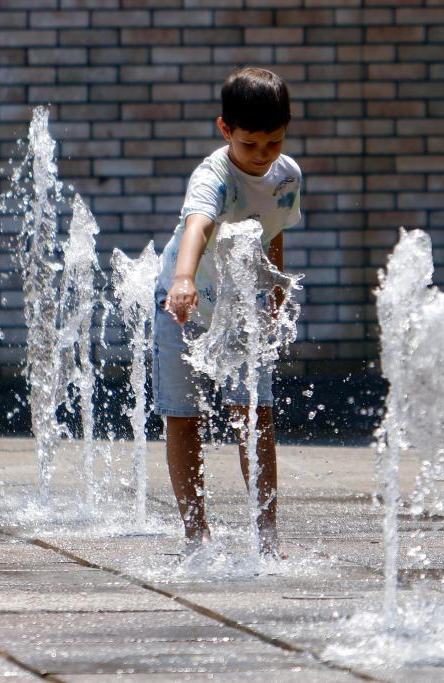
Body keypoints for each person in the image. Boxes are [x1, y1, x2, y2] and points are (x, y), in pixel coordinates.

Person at [152, 67, 301, 558]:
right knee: (184, 416)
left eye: (272, 143)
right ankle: (196, 533)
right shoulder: (213, 176)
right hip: (183, 304)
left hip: (240, 307)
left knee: (255, 413)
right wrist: (182, 280)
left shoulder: (287, 175)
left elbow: (273, 230)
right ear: (225, 131)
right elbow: (197, 226)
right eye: (249, 144)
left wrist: (274, 291)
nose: (261, 156)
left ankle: (268, 532)